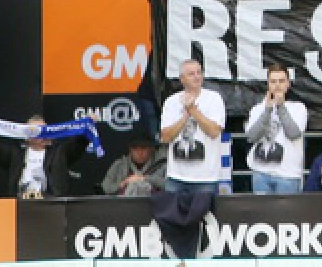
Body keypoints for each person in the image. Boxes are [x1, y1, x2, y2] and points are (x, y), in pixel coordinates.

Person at [158, 57, 227, 195]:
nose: (197, 76)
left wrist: (193, 111)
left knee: (204, 216)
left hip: (206, 178)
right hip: (176, 177)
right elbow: (165, 137)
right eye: (191, 74)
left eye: (199, 72)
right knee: (174, 216)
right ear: (182, 79)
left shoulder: (214, 99)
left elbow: (214, 132)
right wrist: (184, 117)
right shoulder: (171, 102)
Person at [0, 115, 88, 198]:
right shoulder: (17, 154)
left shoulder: (59, 152)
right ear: (26, 136)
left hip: (52, 203)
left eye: (43, 130)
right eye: (35, 131)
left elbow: (78, 145)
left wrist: (88, 125)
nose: (40, 134)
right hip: (20, 202)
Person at [244, 63, 309, 194]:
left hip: (288, 175)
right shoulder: (257, 109)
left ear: (288, 84)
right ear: (268, 84)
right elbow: (252, 137)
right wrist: (267, 110)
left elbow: (293, 134)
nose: (277, 85)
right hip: (260, 173)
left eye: (281, 81)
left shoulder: (298, 108)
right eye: (273, 81)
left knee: (287, 215)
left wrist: (280, 107)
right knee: (262, 214)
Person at [100, 132, 169, 198]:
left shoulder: (162, 164)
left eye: (143, 148)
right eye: (135, 149)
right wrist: (124, 183)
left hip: (155, 206)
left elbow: (170, 186)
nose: (139, 153)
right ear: (130, 150)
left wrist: (144, 178)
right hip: (124, 206)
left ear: (151, 149)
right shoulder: (120, 164)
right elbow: (105, 187)